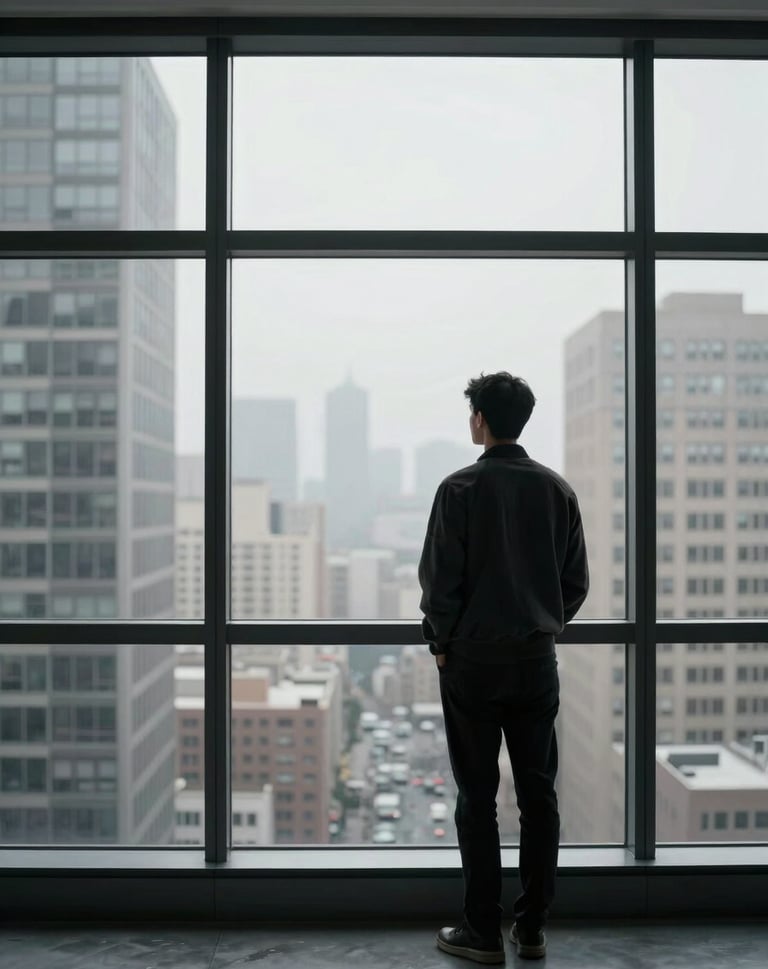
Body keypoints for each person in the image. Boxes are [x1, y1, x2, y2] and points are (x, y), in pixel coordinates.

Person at [418, 371, 589, 964]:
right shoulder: (557, 490)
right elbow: (575, 584)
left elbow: (439, 583)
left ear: (480, 420)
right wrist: (542, 621)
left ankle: (481, 932)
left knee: (477, 797)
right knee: (539, 795)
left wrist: (442, 644)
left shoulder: (458, 489)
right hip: (535, 663)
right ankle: (533, 928)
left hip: (471, 665)